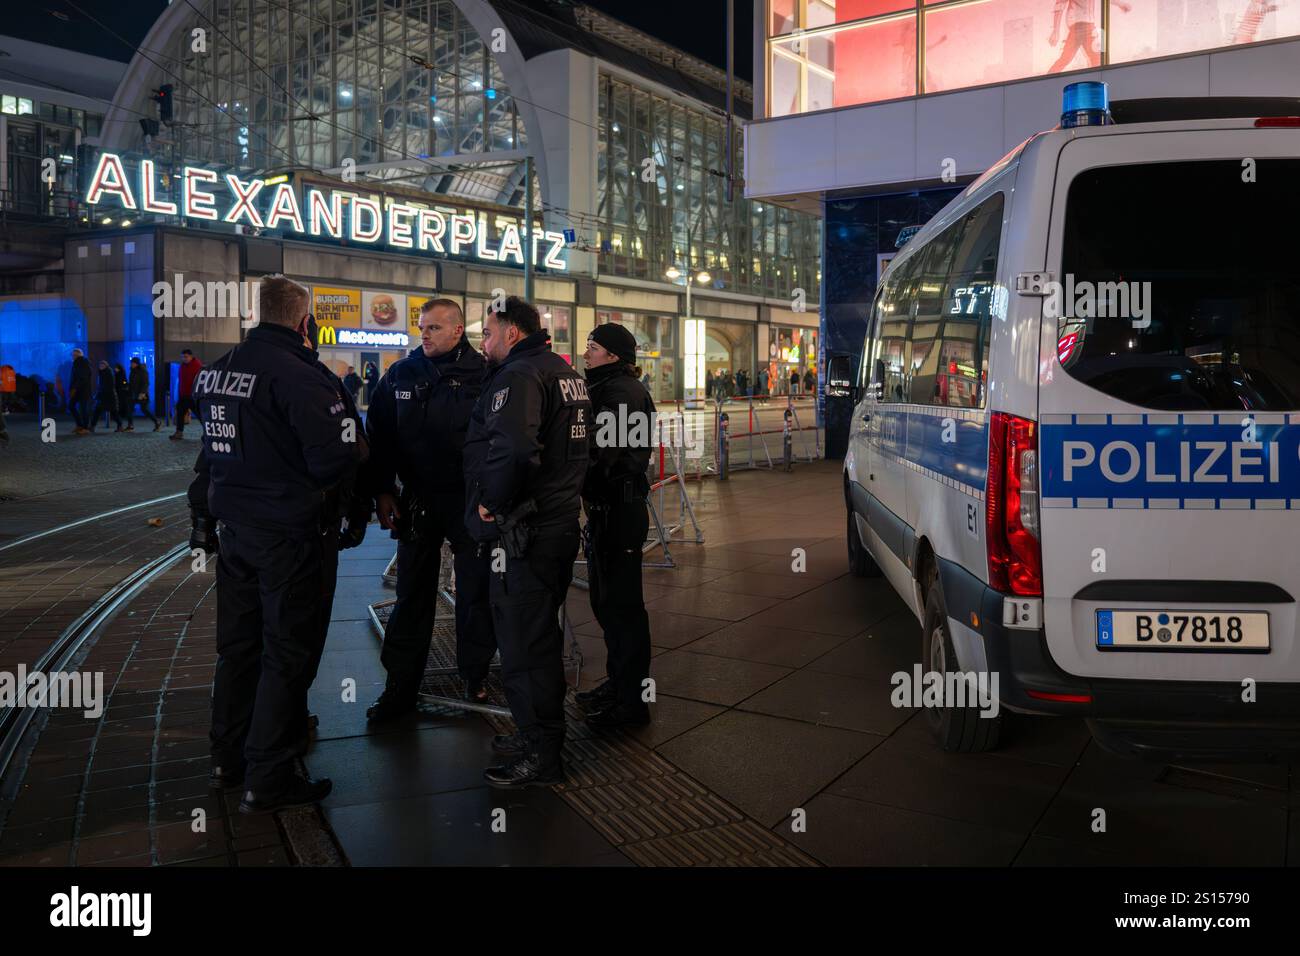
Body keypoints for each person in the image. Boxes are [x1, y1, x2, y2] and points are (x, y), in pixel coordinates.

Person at [190, 275, 362, 814]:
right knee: (287, 653)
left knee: (238, 649)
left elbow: (210, 452)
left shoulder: (218, 373)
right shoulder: (303, 377)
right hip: (289, 536)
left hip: (234, 531)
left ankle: (228, 759)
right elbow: (336, 457)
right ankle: (269, 775)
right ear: (303, 320)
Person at [462, 296, 591, 789]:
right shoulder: (561, 369)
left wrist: (491, 502)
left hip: (528, 530)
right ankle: (535, 734)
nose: (484, 342)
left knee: (525, 643)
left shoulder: (520, 375)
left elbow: (515, 448)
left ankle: (542, 752)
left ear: (512, 332)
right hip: (553, 523)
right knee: (535, 635)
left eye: (489, 333)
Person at [364, 298, 496, 721]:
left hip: (469, 501)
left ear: (458, 330)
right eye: (422, 327)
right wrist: (383, 490)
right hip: (417, 499)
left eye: (434, 328)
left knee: (475, 594)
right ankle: (400, 687)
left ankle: (475, 677)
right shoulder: (402, 373)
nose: (424, 334)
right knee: (412, 595)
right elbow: (379, 436)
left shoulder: (487, 373)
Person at [575, 324, 654, 728]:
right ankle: (619, 684)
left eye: (593, 348)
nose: (586, 353)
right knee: (607, 604)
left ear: (613, 355)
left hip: (619, 513)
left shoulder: (621, 393)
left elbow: (608, 456)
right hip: (609, 511)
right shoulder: (607, 389)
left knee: (622, 610)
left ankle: (632, 703)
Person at [171, 348, 202, 440]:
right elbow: (181, 381)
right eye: (182, 357)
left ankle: (209, 433)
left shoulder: (197, 366)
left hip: (193, 396)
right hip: (184, 395)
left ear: (191, 356)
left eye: (186, 357)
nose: (184, 358)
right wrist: (180, 394)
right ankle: (179, 432)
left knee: (200, 415)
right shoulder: (183, 366)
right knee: (180, 413)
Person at [127, 357, 161, 431]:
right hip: (134, 393)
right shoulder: (132, 371)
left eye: (133, 363)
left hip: (142, 394)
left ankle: (157, 422)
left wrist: (142, 393)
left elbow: (145, 383)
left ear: (136, 364)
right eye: (131, 363)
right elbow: (132, 382)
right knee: (129, 408)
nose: (132, 364)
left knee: (145, 410)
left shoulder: (143, 371)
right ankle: (130, 426)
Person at [90, 360, 123, 433]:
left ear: (106, 366)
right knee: (98, 411)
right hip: (105, 396)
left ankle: (120, 426)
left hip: (108, 396)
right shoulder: (103, 373)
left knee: (113, 412)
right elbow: (101, 386)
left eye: (102, 365)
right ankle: (92, 426)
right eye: (100, 365)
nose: (101, 366)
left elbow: (108, 386)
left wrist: (99, 394)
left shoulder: (107, 373)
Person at [69, 348, 92, 435]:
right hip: (79, 389)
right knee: (73, 406)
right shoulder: (78, 363)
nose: (72, 356)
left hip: (82, 390)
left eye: (74, 355)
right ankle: (80, 425)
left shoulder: (82, 363)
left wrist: (74, 388)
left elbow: (82, 378)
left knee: (83, 409)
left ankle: (85, 427)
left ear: (78, 355)